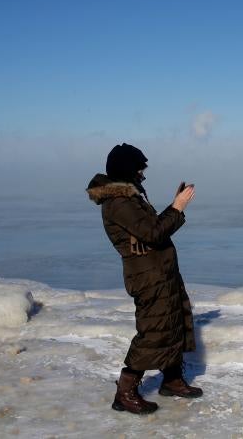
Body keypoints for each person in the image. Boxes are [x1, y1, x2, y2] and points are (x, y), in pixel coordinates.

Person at [86, 143, 202, 414]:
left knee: (173, 324)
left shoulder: (131, 197)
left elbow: (150, 230)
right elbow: (154, 234)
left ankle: (172, 381)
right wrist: (177, 207)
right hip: (148, 277)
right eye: (140, 169)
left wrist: (174, 207)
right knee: (152, 332)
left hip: (161, 272)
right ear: (127, 169)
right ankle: (125, 392)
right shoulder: (118, 203)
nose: (143, 174)